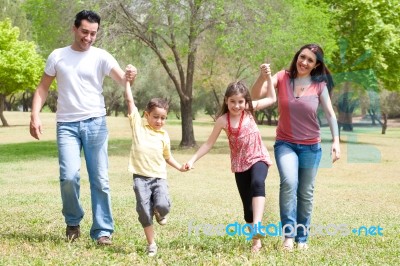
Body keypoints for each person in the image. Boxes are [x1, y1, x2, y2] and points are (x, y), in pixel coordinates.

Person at [29, 10, 136, 245]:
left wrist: (130, 74)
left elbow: (123, 80)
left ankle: (103, 231)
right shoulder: (58, 56)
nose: (88, 37)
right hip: (66, 125)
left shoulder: (102, 56)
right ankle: (73, 221)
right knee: (69, 176)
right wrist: (35, 115)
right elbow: (42, 88)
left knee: (100, 179)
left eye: (93, 33)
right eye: (84, 32)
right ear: (74, 29)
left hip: (96, 123)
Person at [251, 44, 340, 251]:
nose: (304, 62)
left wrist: (336, 141)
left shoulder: (319, 84)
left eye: (310, 60)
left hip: (311, 146)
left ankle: (302, 238)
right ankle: (288, 237)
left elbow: (330, 114)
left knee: (306, 192)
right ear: (297, 56)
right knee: (289, 183)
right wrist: (262, 76)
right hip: (285, 143)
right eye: (302, 57)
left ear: (316, 64)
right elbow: (256, 95)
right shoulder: (283, 77)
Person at [185, 66, 276, 253]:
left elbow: (272, 99)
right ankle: (256, 242)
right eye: (232, 101)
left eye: (240, 101)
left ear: (246, 102)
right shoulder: (222, 120)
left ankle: (258, 226)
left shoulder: (249, 110)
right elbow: (208, 144)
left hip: (258, 157)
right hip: (240, 165)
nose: (237, 105)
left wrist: (267, 77)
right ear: (226, 101)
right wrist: (193, 160)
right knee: (247, 209)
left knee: (258, 183)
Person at [124, 72, 188, 256]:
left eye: (163, 118)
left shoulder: (164, 136)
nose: (159, 121)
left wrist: (180, 167)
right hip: (140, 179)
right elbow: (129, 102)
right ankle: (151, 243)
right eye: (156, 117)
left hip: (159, 177)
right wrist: (128, 83)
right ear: (147, 115)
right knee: (144, 211)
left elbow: (168, 157)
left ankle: (160, 212)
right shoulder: (138, 125)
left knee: (163, 205)